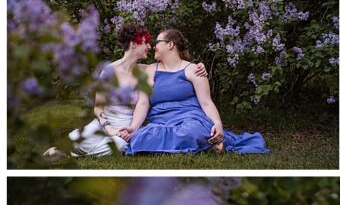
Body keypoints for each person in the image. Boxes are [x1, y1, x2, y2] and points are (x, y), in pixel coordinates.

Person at [42, 25, 208, 160]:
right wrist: (109, 128)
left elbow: (174, 68)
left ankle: (73, 155)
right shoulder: (108, 72)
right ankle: (74, 149)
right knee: (75, 140)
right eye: (146, 43)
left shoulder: (146, 70)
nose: (150, 47)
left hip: (129, 127)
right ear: (134, 43)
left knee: (119, 146)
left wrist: (199, 66)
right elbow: (98, 109)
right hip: (105, 123)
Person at [124, 28, 270, 155]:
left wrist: (218, 123)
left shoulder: (193, 70)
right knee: (140, 137)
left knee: (192, 132)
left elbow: (206, 102)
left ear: (170, 45)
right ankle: (204, 146)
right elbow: (143, 102)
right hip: (161, 123)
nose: (154, 46)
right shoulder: (150, 70)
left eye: (158, 42)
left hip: (189, 119)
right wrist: (134, 127)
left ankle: (198, 143)